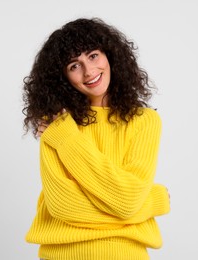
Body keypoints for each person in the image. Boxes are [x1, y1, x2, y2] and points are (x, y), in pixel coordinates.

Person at [22, 17, 170, 260]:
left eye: (93, 56)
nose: (89, 71)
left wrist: (133, 203)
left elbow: (127, 200)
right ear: (63, 78)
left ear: (109, 54)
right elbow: (64, 205)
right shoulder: (57, 125)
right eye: (74, 66)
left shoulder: (144, 121)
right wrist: (152, 201)